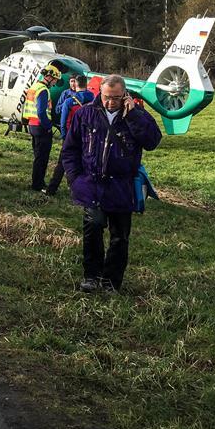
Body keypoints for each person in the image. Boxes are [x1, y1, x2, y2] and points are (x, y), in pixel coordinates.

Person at [61, 75, 162, 293]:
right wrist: (74, 178)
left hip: (122, 187)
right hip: (91, 183)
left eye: (115, 98)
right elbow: (70, 149)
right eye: (106, 97)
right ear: (100, 93)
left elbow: (153, 141)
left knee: (119, 237)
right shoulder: (85, 113)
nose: (109, 103)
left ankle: (111, 281)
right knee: (93, 230)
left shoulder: (137, 115)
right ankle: (91, 276)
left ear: (125, 95)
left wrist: (133, 116)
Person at [46, 74, 94, 196]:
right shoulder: (93, 99)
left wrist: (64, 136)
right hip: (88, 138)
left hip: (71, 137)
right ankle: (83, 191)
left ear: (76, 84)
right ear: (86, 84)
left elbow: (63, 122)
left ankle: (52, 189)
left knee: (62, 164)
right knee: (84, 164)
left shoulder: (69, 101)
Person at [23, 64, 61, 191]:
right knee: (42, 158)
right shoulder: (43, 90)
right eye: (55, 79)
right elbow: (41, 112)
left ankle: (37, 182)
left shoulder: (34, 86)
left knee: (38, 156)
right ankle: (37, 185)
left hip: (32, 126)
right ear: (49, 77)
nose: (55, 82)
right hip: (41, 127)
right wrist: (48, 126)